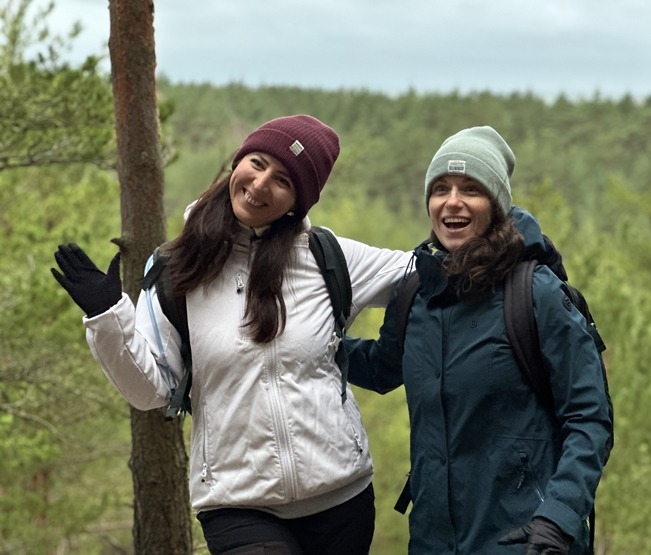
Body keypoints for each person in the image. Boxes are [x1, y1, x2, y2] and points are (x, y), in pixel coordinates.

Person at [51, 114, 413, 555]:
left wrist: (499, 227)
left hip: (341, 497)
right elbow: (150, 390)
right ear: (238, 161)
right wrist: (108, 317)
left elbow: (425, 273)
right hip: (236, 503)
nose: (260, 185)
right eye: (257, 163)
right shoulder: (177, 265)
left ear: (299, 203)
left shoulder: (327, 257)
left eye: (283, 180)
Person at [345, 126, 612, 554]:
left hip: (526, 540)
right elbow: (381, 367)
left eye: (471, 188)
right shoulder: (414, 293)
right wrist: (311, 342)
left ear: (496, 206)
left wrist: (558, 519)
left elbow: (589, 418)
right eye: (440, 189)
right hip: (433, 539)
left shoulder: (536, 294)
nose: (452, 201)